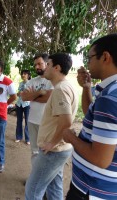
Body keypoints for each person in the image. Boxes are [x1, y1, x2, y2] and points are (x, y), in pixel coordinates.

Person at [63, 34, 117, 200]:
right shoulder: (109, 91)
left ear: (105, 57)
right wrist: (87, 88)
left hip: (90, 190)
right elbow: (93, 118)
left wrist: (70, 137)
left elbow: (100, 159)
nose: (88, 63)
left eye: (90, 57)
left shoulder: (110, 97)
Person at [25, 53, 78, 200]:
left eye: (48, 64)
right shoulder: (66, 86)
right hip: (60, 150)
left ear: (57, 67)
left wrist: (51, 143)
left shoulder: (60, 89)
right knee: (54, 188)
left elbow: (66, 121)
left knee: (33, 190)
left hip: (54, 151)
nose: (45, 67)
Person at [21, 53, 53, 163]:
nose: (37, 67)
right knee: (34, 151)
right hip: (32, 121)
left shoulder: (52, 80)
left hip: (46, 122)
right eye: (35, 65)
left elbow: (48, 98)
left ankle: (44, 179)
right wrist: (39, 92)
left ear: (47, 64)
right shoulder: (32, 81)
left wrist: (32, 96)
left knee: (46, 152)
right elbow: (24, 97)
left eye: (39, 64)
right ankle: (35, 178)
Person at [15, 69, 31, 144]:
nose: (23, 75)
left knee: (27, 121)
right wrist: (19, 93)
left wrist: (23, 93)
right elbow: (18, 94)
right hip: (19, 104)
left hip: (27, 104)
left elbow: (30, 94)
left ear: (28, 75)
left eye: (25, 74)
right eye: (22, 74)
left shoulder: (31, 83)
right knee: (19, 121)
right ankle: (18, 137)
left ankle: (28, 139)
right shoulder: (21, 83)